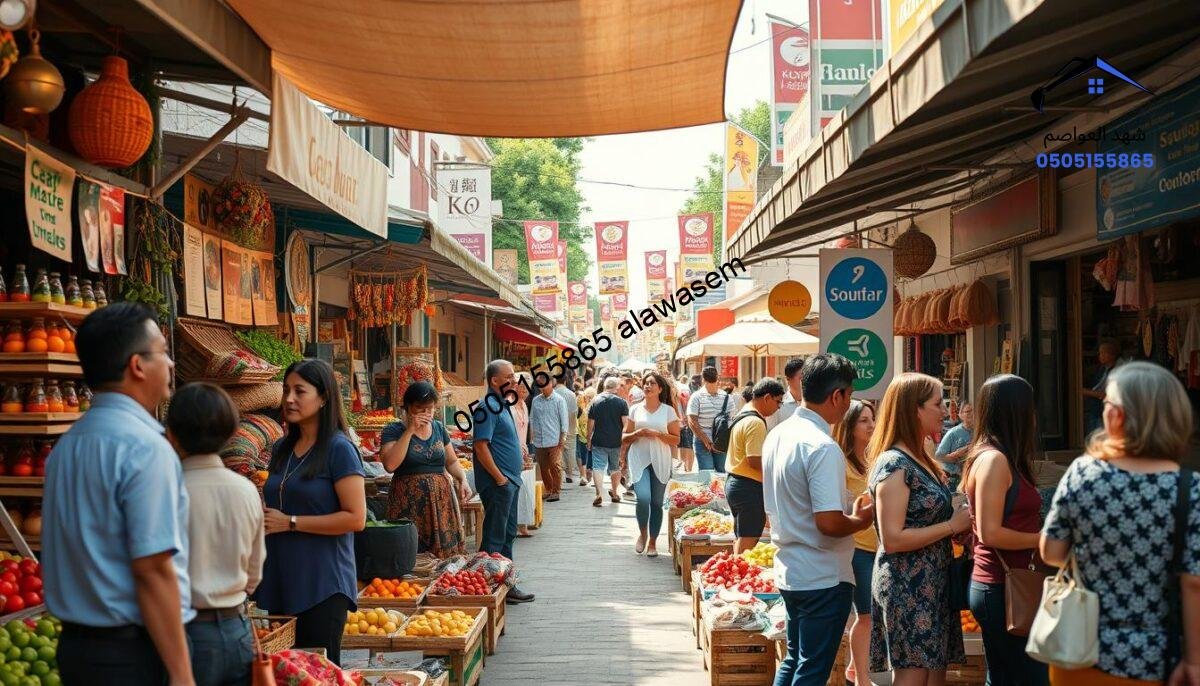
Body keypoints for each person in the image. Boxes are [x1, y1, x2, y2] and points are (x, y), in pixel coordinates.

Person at [43, 303, 195, 686]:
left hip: (77, 650)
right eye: (163, 351)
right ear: (137, 365)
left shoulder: (68, 445)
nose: (171, 364)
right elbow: (153, 569)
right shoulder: (145, 447)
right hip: (133, 653)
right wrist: (181, 673)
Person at [1041, 361, 1199, 686]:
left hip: (1081, 651)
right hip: (1158, 659)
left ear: (1118, 416)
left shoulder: (1083, 473)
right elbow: (1193, 582)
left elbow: (1052, 552)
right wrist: (1195, 660)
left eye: (1106, 404)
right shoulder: (1190, 489)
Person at [764, 354, 875, 686]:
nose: (849, 404)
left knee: (796, 659)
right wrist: (861, 519)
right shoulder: (822, 446)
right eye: (850, 394)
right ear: (837, 396)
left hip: (791, 568)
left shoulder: (780, 434)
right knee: (811, 669)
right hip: (821, 575)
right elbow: (828, 522)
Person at [255, 359, 366, 665]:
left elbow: (356, 517)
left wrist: (290, 523)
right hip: (281, 579)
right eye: (286, 390)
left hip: (322, 584)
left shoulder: (339, 449)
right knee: (286, 673)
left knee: (318, 673)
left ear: (324, 397)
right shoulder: (281, 449)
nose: (289, 398)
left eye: (299, 391)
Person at [867, 372, 969, 685]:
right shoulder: (895, 463)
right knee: (912, 677)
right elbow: (893, 538)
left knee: (934, 675)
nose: (945, 410)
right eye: (938, 403)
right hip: (907, 586)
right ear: (916, 410)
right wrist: (952, 525)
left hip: (932, 582)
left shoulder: (919, 457)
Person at [167, 383, 265, 686]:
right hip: (237, 629)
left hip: (186, 633)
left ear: (171, 435)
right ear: (231, 433)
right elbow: (254, 573)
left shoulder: (168, 492)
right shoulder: (246, 490)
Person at [960, 376, 1048, 686]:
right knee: (1029, 676)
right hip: (1001, 586)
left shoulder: (1002, 457)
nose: (1036, 416)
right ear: (1017, 412)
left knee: (1003, 675)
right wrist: (1043, 540)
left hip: (1008, 584)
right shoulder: (994, 460)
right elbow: (989, 532)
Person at [379, 381, 470, 558]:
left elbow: (451, 462)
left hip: (441, 502)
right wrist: (410, 431)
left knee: (442, 555)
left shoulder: (438, 428)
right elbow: (390, 465)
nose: (425, 414)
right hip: (408, 502)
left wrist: (462, 479)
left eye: (429, 409)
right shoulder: (393, 430)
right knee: (410, 550)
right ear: (407, 407)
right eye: (419, 408)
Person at [471, 360, 535, 604]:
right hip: (499, 483)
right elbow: (480, 446)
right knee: (495, 536)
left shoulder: (502, 403)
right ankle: (486, 588)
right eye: (509, 376)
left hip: (509, 481)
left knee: (507, 533)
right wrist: (500, 478)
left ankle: (506, 584)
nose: (514, 380)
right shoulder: (487, 406)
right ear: (494, 380)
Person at [832, 399, 877, 686]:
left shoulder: (874, 458)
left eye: (872, 419)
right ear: (848, 425)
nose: (871, 425)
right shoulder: (839, 462)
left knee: (871, 616)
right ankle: (861, 678)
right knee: (866, 615)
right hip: (856, 547)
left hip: (879, 546)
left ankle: (853, 669)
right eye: (864, 420)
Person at [622, 372, 681, 557]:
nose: (647, 386)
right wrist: (638, 434)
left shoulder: (668, 411)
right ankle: (643, 534)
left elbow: (676, 439)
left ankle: (653, 542)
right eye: (646, 383)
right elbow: (624, 437)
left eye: (652, 383)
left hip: (661, 459)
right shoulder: (635, 409)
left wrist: (657, 434)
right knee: (644, 498)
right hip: (639, 458)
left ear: (660, 388)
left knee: (656, 502)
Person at [725, 379, 785, 554]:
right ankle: (739, 577)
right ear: (767, 397)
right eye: (778, 402)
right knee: (748, 541)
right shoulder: (756, 422)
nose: (778, 407)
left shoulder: (744, 412)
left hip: (736, 483)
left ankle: (735, 570)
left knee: (741, 537)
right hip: (748, 487)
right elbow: (754, 460)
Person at [587, 377, 628, 507]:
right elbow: (625, 424)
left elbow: (590, 423)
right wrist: (625, 441)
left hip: (599, 439)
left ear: (605, 386)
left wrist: (588, 438)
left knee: (598, 467)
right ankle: (615, 493)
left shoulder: (595, 400)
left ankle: (599, 493)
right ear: (616, 387)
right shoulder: (622, 402)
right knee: (615, 467)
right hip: (616, 441)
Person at [531, 376, 569, 502]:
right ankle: (548, 489)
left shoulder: (559, 400)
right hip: (539, 440)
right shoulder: (536, 400)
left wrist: (563, 438)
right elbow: (532, 419)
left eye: (545, 384)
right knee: (543, 467)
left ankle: (556, 491)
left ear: (552, 384)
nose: (542, 387)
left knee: (555, 465)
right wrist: (532, 436)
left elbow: (564, 420)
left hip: (554, 439)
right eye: (540, 385)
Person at [688, 366, 733, 473]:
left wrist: (705, 440)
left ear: (702, 379)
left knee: (707, 476)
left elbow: (692, 421)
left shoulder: (696, 396)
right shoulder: (727, 397)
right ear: (717, 378)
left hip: (702, 441)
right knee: (722, 474)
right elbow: (731, 421)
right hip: (722, 441)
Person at [511, 373, 536, 538]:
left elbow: (524, 430)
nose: (525, 391)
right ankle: (515, 524)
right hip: (512, 452)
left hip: (523, 451)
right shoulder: (509, 406)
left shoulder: (524, 405)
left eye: (528, 387)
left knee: (525, 487)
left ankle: (522, 523)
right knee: (516, 489)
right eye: (522, 387)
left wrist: (526, 447)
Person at [1081, 340, 1119, 436]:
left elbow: (1105, 394)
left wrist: (1085, 392)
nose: (1100, 355)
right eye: (1100, 353)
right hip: (1094, 411)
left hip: (1103, 412)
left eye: (1103, 353)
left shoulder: (1115, 372)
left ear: (1112, 355)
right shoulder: (1101, 370)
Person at [935, 401, 974, 491]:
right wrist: (957, 454)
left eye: (972, 411)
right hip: (954, 479)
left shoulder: (978, 431)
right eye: (967, 411)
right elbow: (939, 456)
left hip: (972, 477)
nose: (971, 414)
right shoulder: (952, 433)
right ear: (960, 414)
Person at [767, 357, 806, 433]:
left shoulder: (813, 403)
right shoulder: (777, 406)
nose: (805, 382)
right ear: (788, 379)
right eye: (801, 378)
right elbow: (770, 433)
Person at [555, 371, 579, 484]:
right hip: (570, 425)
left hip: (556, 425)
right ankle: (569, 473)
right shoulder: (571, 394)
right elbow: (575, 412)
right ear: (565, 380)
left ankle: (561, 472)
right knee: (570, 450)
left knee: (557, 449)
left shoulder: (553, 393)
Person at [577, 387, 596, 486]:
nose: (587, 398)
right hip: (586, 435)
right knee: (587, 455)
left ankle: (585, 475)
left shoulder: (588, 408)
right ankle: (587, 474)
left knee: (584, 455)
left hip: (585, 435)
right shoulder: (585, 407)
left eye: (588, 397)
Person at [676, 378, 695, 473]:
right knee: (686, 445)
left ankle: (687, 468)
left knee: (685, 445)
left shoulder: (682, 391)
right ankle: (686, 468)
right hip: (682, 422)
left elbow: (686, 406)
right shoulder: (684, 390)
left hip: (682, 422)